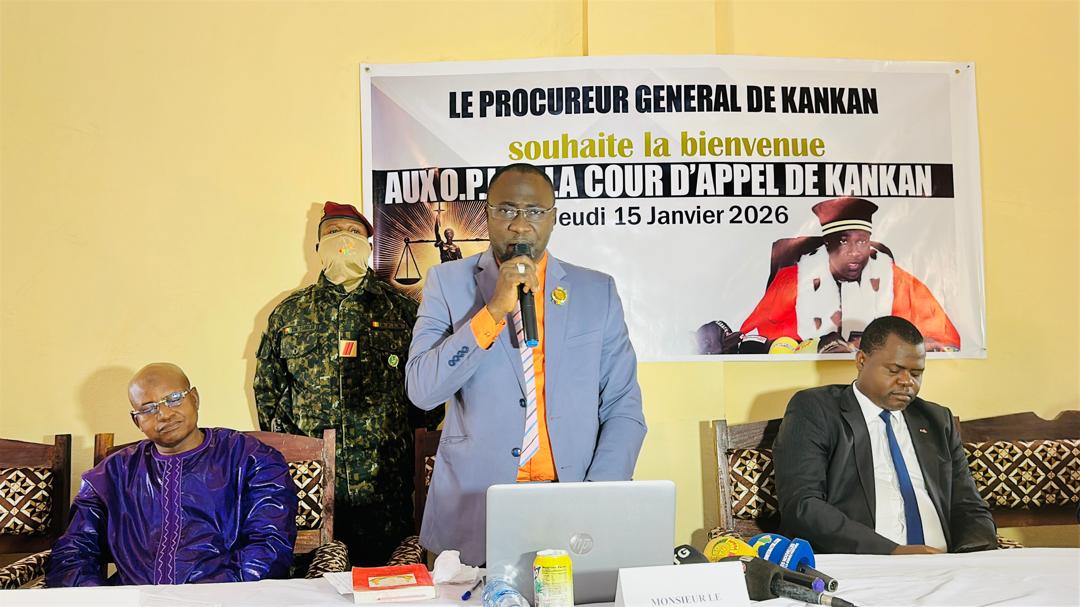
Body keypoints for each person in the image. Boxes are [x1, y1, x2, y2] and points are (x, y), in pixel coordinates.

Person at [405, 163, 647, 566]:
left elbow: (624, 408)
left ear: (553, 218)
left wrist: (597, 497)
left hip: (573, 504)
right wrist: (493, 311)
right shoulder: (446, 283)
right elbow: (423, 390)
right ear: (487, 214)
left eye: (534, 211)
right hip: (475, 507)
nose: (519, 225)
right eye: (506, 210)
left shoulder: (597, 291)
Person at [255, 201, 434, 565]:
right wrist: (296, 457)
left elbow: (426, 396)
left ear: (369, 245)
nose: (343, 240)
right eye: (333, 232)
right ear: (317, 247)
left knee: (388, 581)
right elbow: (268, 395)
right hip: (312, 491)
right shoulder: (289, 313)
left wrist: (402, 447)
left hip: (386, 487)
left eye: (354, 233)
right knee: (314, 584)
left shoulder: (402, 311)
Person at [47, 363, 296, 586]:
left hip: (225, 599)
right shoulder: (112, 473)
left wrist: (214, 597)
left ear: (195, 398)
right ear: (136, 421)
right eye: (148, 408)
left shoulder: (251, 458)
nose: (164, 414)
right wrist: (102, 599)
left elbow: (270, 545)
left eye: (174, 398)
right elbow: (72, 553)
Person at [773, 316, 997, 554]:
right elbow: (802, 505)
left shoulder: (937, 420)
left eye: (916, 373)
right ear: (861, 360)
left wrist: (972, 556)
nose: (907, 382)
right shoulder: (816, 409)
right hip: (863, 561)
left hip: (946, 562)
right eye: (894, 370)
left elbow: (969, 506)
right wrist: (892, 551)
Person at [739, 197, 960, 352]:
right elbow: (752, 341)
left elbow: (945, 341)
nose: (854, 252)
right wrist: (817, 346)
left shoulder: (898, 282)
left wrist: (913, 346)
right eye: (844, 242)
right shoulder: (793, 281)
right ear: (827, 243)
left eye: (862, 241)